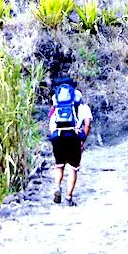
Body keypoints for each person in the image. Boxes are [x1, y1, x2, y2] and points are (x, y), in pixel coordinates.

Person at [49, 77, 92, 206]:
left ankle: (57, 186)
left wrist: (54, 136)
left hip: (58, 136)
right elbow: (87, 123)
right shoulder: (80, 103)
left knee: (59, 165)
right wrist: (82, 138)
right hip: (74, 136)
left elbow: (51, 123)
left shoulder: (56, 104)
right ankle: (68, 197)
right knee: (73, 168)